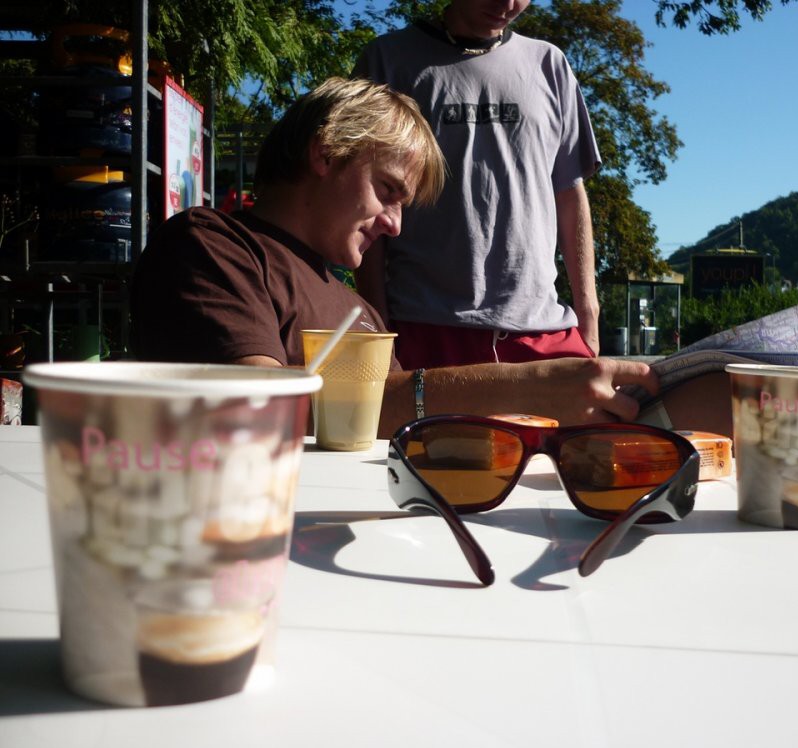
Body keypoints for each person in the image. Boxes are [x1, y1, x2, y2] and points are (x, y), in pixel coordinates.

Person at [130, 76, 659, 439]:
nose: (395, 225)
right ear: (325, 152)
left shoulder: (358, 308)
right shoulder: (213, 245)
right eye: (387, 190)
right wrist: (530, 386)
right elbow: (261, 413)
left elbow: (406, 426)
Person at [352, 0, 601, 369]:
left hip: (543, 332)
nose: (508, 4)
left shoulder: (549, 64)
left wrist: (589, 315)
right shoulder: (386, 61)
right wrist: (377, 322)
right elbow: (365, 200)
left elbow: (569, 193)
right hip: (424, 330)